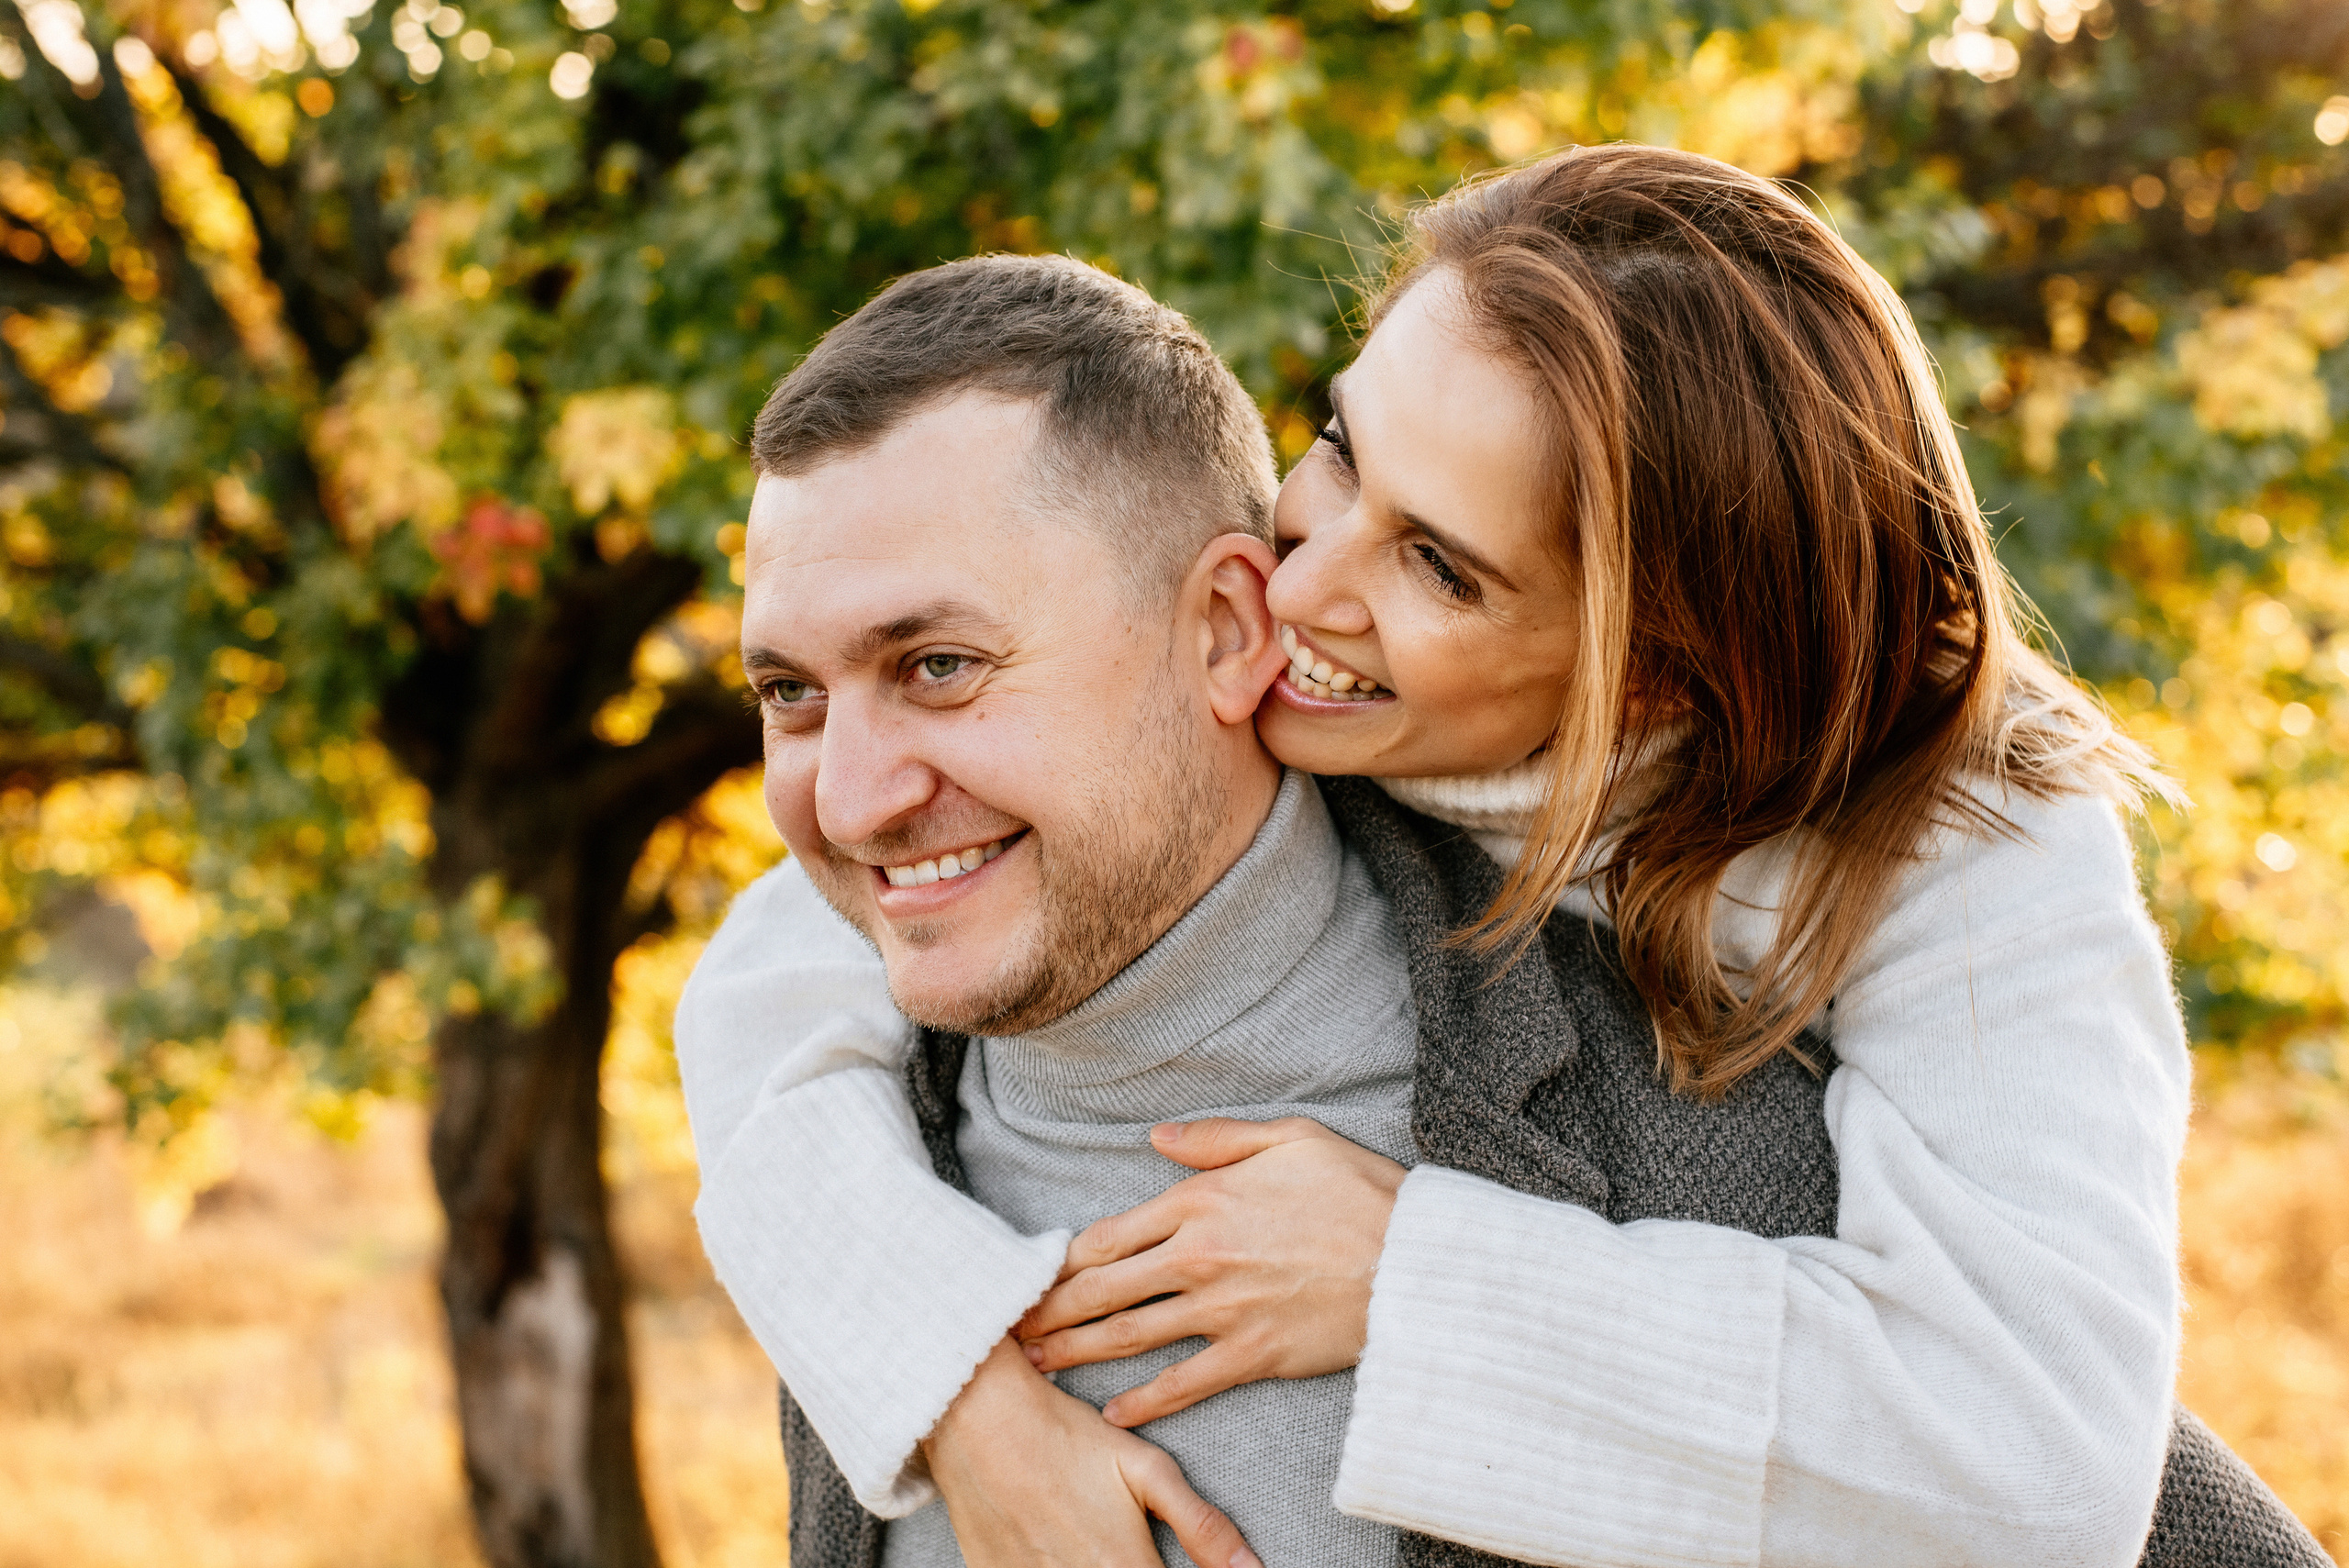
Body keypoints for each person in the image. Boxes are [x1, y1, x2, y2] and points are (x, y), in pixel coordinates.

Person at [682, 149, 2327, 1568]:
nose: (1304, 573)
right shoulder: (1262, 698)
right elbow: (773, 973)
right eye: (1337, 447)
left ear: (1648, 674)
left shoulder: (1966, 863)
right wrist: (956, 1387)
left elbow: (2036, 1471)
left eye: (1441, 569)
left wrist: (1414, 1279)